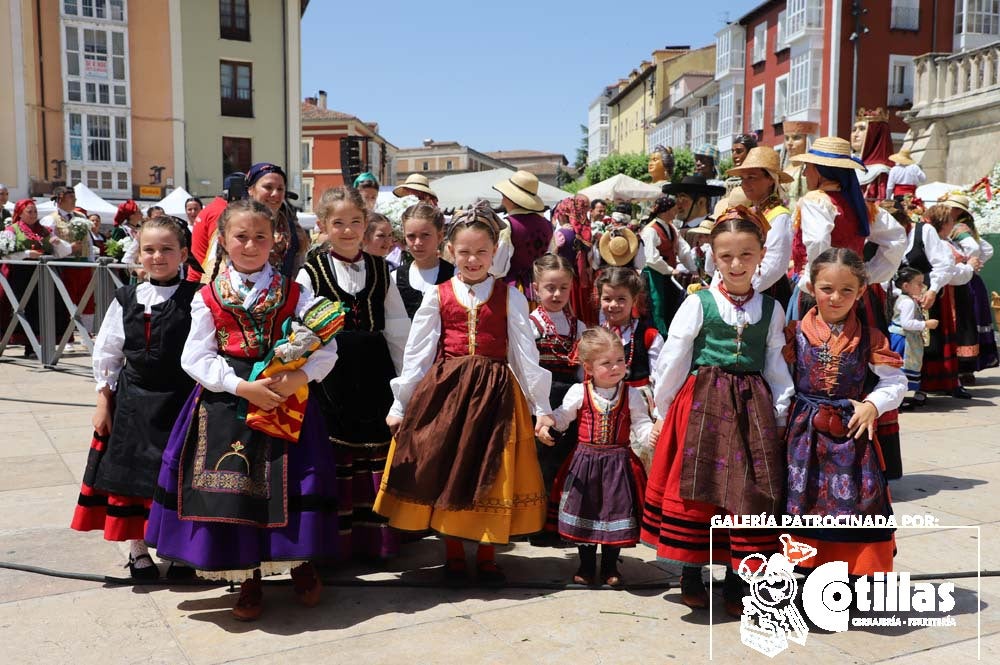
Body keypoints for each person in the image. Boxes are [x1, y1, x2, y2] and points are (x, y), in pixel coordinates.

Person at [145, 199, 343, 621]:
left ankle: (300, 563)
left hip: (286, 398)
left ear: (276, 241)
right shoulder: (208, 296)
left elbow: (327, 348)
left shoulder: (297, 292)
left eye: (260, 237)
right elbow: (195, 358)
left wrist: (298, 378)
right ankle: (248, 576)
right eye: (241, 236)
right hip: (226, 401)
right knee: (236, 490)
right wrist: (240, 386)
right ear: (223, 240)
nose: (250, 245)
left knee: (291, 482)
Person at [374, 201, 554, 584]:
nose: (473, 260)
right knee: (448, 468)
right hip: (447, 395)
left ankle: (487, 553)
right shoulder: (437, 295)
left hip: (496, 395)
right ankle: (453, 552)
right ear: (450, 251)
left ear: (495, 253)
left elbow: (524, 352)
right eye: (465, 252)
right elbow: (418, 354)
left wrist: (542, 407)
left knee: (491, 472)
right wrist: (400, 403)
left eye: (482, 252)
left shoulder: (511, 296)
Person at [642, 206, 794, 617]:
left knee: (745, 492)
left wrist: (780, 414)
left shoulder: (773, 310)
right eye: (726, 256)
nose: (736, 264)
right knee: (699, 488)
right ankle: (691, 573)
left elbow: (776, 365)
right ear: (713, 256)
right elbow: (673, 358)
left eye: (746, 254)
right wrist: (662, 410)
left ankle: (736, 579)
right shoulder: (699, 303)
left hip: (751, 409)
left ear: (761, 254)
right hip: (702, 404)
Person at [70, 217, 200, 579]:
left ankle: (177, 552)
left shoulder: (196, 297)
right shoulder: (126, 297)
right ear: (138, 254)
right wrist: (103, 402)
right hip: (132, 400)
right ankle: (138, 550)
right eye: (149, 249)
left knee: (175, 475)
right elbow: (109, 352)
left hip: (180, 398)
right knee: (131, 477)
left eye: (166, 249)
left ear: (184, 254)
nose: (157, 256)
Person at [297, 187, 411, 561]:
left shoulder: (382, 270)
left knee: (376, 446)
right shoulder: (309, 271)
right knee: (335, 448)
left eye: (355, 222)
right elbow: (300, 329)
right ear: (323, 226)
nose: (348, 230)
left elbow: (397, 328)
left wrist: (405, 382)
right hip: (331, 373)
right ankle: (336, 544)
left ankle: (376, 543)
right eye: (339, 223)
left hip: (374, 368)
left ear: (366, 224)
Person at [784, 248, 906, 576]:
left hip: (852, 438)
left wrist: (872, 405)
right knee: (801, 504)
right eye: (826, 289)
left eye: (846, 290)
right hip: (802, 437)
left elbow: (895, 383)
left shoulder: (870, 338)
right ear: (810, 287)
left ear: (861, 292)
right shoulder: (791, 334)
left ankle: (850, 578)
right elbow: (778, 381)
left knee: (857, 507)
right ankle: (803, 577)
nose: (835, 298)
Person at [537, 326, 653, 586]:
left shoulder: (631, 394)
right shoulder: (580, 392)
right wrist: (548, 424)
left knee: (616, 512)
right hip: (585, 464)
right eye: (607, 363)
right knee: (586, 514)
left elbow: (641, 424)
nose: (615, 367)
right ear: (588, 367)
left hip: (619, 464)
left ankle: (611, 566)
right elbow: (562, 417)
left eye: (620, 361)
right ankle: (587, 566)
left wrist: (650, 437)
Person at [529, 254, 586, 499]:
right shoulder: (531, 324)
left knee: (565, 454)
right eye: (550, 288)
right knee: (541, 456)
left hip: (570, 399)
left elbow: (583, 369)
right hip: (541, 396)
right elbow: (526, 366)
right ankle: (537, 519)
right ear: (536, 288)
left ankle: (559, 517)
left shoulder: (578, 326)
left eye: (563, 288)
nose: (557, 294)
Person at [900, 203, 963, 400]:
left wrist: (933, 290)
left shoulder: (924, 231)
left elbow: (944, 263)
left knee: (924, 342)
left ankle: (922, 387)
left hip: (923, 294)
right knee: (900, 342)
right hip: (897, 298)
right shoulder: (885, 235)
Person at [723, 146, 795, 308]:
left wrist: (741, 291)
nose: (745, 183)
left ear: (770, 179)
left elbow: (774, 265)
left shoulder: (779, 216)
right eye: (743, 178)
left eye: (752, 177)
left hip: (766, 292)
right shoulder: (750, 213)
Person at [0, 199, 73, 357]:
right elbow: (5, 253)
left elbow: (63, 252)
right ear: (20, 213)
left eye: (35, 212)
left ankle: (39, 346)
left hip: (42, 275)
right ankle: (27, 345)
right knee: (23, 309)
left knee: (43, 309)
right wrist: (27, 254)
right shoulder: (11, 230)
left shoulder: (44, 230)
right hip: (20, 275)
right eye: (29, 212)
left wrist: (58, 243)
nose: (33, 215)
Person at [942, 193, 998, 379]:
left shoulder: (957, 227)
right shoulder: (966, 226)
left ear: (957, 211)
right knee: (971, 321)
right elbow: (987, 249)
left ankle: (962, 368)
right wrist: (975, 263)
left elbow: (974, 248)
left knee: (964, 321)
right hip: (971, 278)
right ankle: (968, 369)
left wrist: (968, 263)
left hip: (964, 280)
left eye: (950, 207)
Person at [597, 267, 662, 419]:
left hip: (639, 407)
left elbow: (659, 377)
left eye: (621, 299)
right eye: (607, 299)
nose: (613, 305)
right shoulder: (595, 336)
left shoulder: (649, 336)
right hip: (603, 404)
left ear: (633, 300)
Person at [640, 195, 697, 337]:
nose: (676, 212)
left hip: (668, 274)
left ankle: (672, 335)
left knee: (672, 303)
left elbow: (683, 249)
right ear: (665, 211)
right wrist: (670, 270)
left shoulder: (671, 228)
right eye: (673, 209)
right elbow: (651, 258)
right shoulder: (650, 230)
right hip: (654, 274)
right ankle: (659, 337)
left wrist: (693, 269)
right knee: (657, 306)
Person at [491, 170, 553, 298]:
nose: (502, 201)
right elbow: (549, 256)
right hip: (541, 288)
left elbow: (497, 268)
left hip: (514, 289)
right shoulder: (547, 225)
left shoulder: (509, 225)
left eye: (504, 196)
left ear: (512, 199)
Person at [393, 203, 454, 319]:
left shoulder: (455, 276)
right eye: (411, 236)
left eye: (425, 235)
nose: (418, 243)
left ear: (440, 236)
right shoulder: (395, 277)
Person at [661, 175, 726, 281]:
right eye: (676, 197)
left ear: (701, 202)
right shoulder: (674, 230)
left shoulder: (714, 230)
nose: (677, 204)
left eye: (682, 197)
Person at [888, 267, 938, 403]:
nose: (922, 286)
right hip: (904, 341)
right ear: (906, 286)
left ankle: (897, 398)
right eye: (919, 283)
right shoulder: (907, 302)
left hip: (902, 338)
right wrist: (926, 324)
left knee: (897, 370)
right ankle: (896, 399)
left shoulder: (905, 299)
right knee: (901, 369)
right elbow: (906, 323)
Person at [551, 195, 597, 325]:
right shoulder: (585, 234)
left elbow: (551, 257)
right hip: (581, 282)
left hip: (564, 282)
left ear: (563, 214)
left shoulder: (560, 235)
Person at [852, 107, 894, 201]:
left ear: (875, 134)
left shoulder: (880, 171)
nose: (855, 135)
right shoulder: (846, 163)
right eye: (854, 130)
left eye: (862, 129)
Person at [781, 120, 819, 210]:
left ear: (808, 140)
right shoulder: (782, 169)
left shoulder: (814, 171)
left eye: (796, 138)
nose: (789, 143)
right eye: (786, 138)